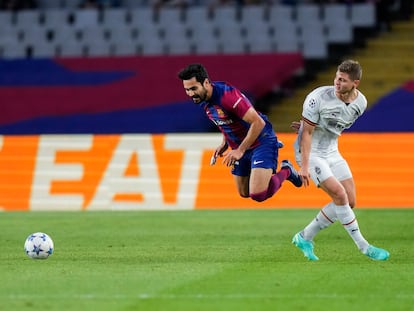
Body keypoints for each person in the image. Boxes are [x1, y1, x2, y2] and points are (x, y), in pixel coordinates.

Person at [291, 59, 390, 261]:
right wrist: (305, 166)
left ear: (355, 83)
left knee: (349, 201)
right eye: (337, 78)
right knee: (339, 194)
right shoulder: (317, 98)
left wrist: (315, 125)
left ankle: (304, 237)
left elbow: (336, 125)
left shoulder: (361, 103)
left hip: (332, 151)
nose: (337, 83)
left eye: (343, 80)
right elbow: (307, 134)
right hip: (311, 153)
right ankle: (364, 247)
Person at [177, 63, 302, 203]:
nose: (190, 94)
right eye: (187, 90)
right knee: (244, 192)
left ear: (206, 82)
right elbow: (226, 120)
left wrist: (240, 150)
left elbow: (258, 122)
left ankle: (287, 170)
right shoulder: (202, 99)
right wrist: (224, 143)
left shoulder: (227, 96)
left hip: (261, 140)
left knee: (258, 194)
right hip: (240, 144)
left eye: (193, 88)